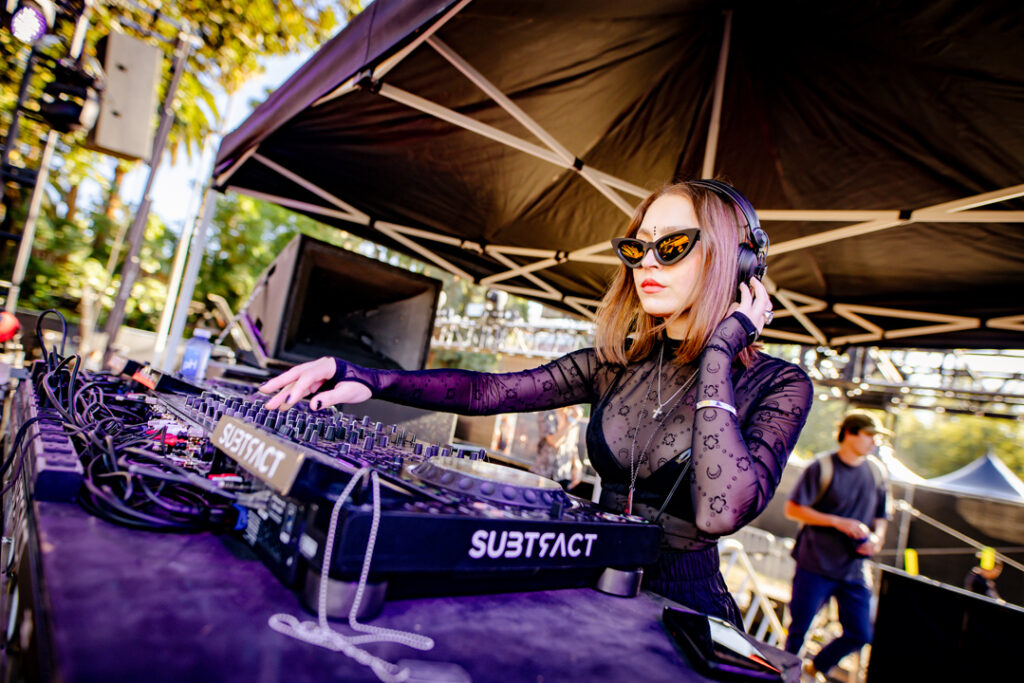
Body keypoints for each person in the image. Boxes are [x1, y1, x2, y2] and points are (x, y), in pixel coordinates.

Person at [258, 179, 813, 626]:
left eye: (670, 246)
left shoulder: (780, 385)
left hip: (684, 615)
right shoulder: (613, 364)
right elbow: (486, 391)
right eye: (637, 246)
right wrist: (364, 376)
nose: (646, 262)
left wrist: (720, 350)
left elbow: (720, 511)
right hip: (591, 589)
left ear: (735, 262)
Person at [783, 412, 893, 680]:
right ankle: (783, 674)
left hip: (854, 570)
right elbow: (793, 509)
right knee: (799, 631)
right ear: (850, 433)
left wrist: (876, 539)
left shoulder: (877, 472)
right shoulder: (821, 467)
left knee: (860, 634)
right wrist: (837, 522)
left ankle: (815, 667)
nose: (874, 442)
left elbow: (882, 517)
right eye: (870, 435)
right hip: (815, 564)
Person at [532, 405, 584, 490]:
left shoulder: (572, 415)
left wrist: (577, 465)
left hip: (563, 476)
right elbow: (554, 441)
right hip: (543, 474)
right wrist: (571, 421)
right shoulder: (546, 413)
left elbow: (572, 444)